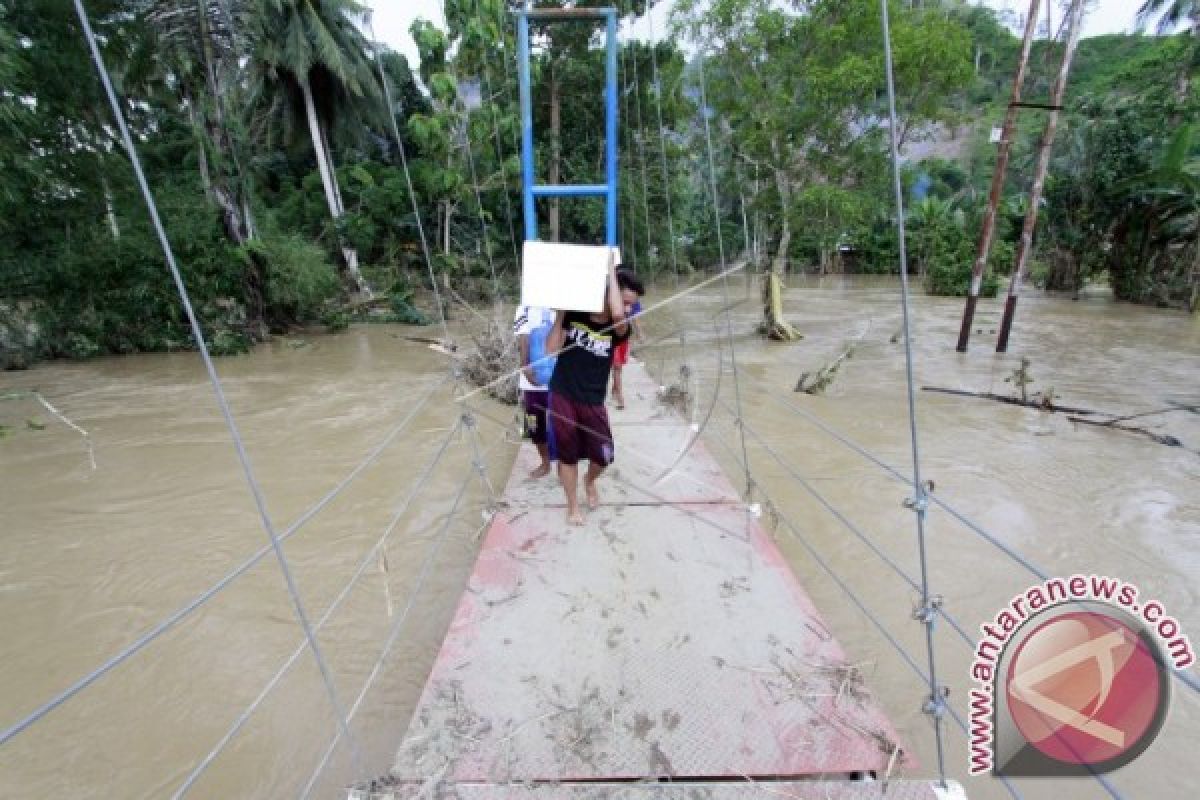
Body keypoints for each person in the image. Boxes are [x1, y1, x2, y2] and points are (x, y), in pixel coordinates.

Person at [546, 262, 640, 525]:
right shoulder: (576, 313)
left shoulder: (620, 328)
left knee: (604, 455)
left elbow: (620, 317)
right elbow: (550, 351)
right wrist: (561, 316)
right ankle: (572, 505)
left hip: (593, 399)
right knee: (567, 454)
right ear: (609, 293)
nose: (628, 308)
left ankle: (589, 481)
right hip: (563, 392)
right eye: (625, 300)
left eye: (630, 303)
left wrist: (609, 267)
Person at [513, 303, 556, 479]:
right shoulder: (525, 307)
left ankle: (564, 464)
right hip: (532, 379)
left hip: (559, 378)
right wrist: (524, 366)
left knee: (562, 423)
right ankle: (545, 463)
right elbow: (523, 337)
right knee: (534, 423)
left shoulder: (562, 304)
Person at [609, 270, 645, 410]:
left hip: (623, 337)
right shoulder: (614, 297)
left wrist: (640, 333)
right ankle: (619, 396)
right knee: (617, 366)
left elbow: (635, 318)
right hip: (611, 335)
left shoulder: (634, 299)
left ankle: (615, 390)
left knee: (618, 367)